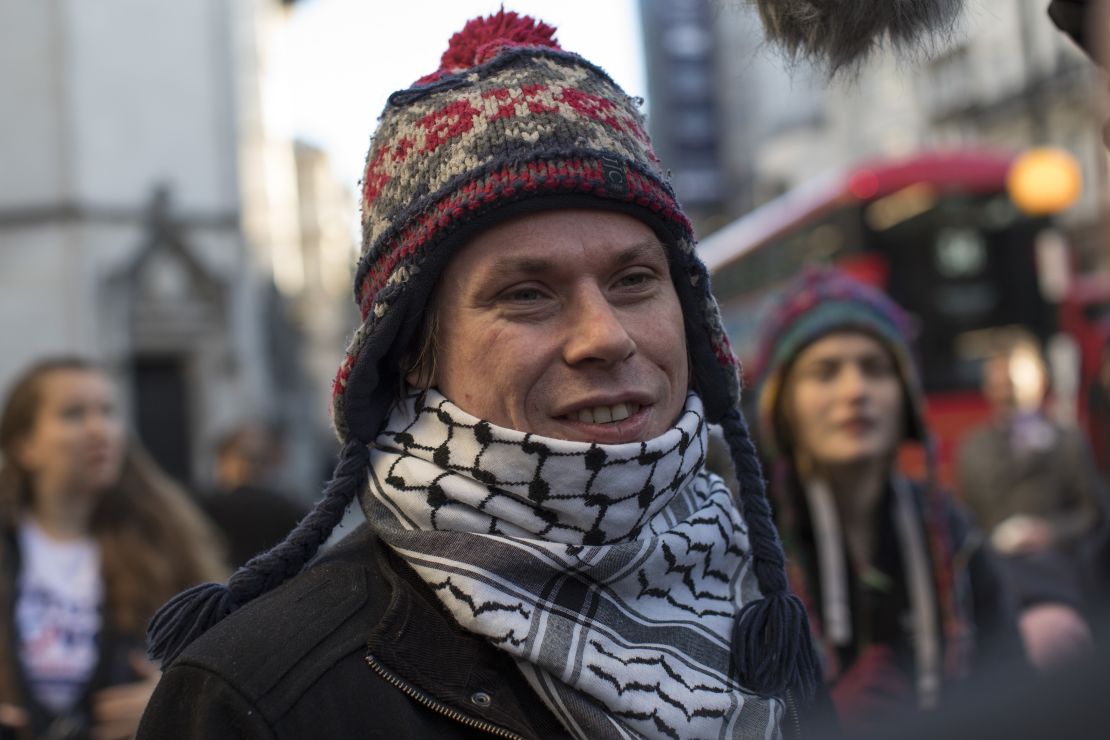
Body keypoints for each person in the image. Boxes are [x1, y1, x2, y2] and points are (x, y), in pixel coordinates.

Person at [137, 11, 823, 740]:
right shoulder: (259, 698)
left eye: (633, 279)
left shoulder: (753, 602)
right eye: (527, 293)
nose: (607, 336)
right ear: (409, 353)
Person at [750, 268, 1021, 733]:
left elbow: (1014, 684)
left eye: (875, 369)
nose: (856, 392)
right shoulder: (742, 543)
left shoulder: (950, 532)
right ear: (781, 404)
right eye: (825, 372)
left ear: (906, 398)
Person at [0, 357, 226, 739]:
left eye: (108, 411)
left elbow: (226, 661)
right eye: (73, 414)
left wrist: (170, 699)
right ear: (24, 446)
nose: (99, 429)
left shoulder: (164, 542)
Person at [956, 338, 1105, 666]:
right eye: (997, 382)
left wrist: (1049, 531)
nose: (1005, 390)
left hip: (1053, 572)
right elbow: (969, 519)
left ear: (1039, 380)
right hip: (998, 572)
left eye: (1014, 379)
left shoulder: (1067, 440)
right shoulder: (973, 448)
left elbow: (1091, 513)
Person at [201, 423, 307, 569]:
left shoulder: (286, 509)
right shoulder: (206, 508)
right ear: (223, 459)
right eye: (245, 457)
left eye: (260, 459)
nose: (251, 466)